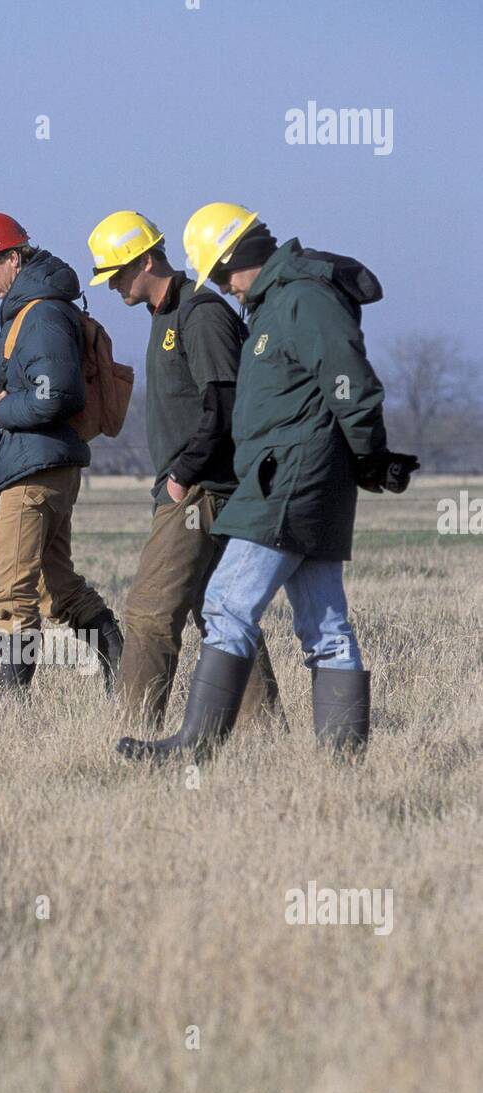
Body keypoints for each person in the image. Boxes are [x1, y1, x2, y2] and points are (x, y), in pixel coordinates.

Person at [119, 203, 410, 762]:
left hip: (292, 481)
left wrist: (370, 454)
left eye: (224, 275)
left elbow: (348, 379)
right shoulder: (276, 304)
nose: (224, 288)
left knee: (227, 604)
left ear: (238, 257)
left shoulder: (303, 299)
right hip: (296, 478)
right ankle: (342, 764)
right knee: (324, 625)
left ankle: (194, 747)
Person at [86, 209, 282, 731]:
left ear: (148, 260)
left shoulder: (200, 314)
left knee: (151, 614)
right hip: (205, 489)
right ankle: (262, 734)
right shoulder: (166, 317)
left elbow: (225, 400)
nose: (112, 287)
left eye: (118, 274)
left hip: (199, 493)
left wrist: (180, 475)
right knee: (224, 616)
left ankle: (130, 732)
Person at [0, 211, 123, 691]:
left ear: (14, 259)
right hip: (38, 466)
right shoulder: (33, 310)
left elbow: (58, 394)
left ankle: (10, 703)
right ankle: (127, 665)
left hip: (32, 473)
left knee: (12, 594)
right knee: (54, 585)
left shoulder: (42, 313)